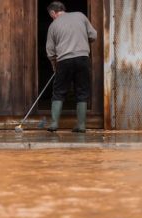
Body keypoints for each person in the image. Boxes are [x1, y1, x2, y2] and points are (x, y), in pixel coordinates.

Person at [45, 1, 97, 133]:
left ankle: (54, 124)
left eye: (51, 15)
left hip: (64, 61)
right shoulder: (80, 16)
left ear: (53, 13)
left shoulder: (53, 25)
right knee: (82, 91)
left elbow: (50, 51)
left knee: (58, 92)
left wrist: (54, 66)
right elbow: (93, 35)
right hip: (82, 58)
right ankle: (81, 125)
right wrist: (83, 40)